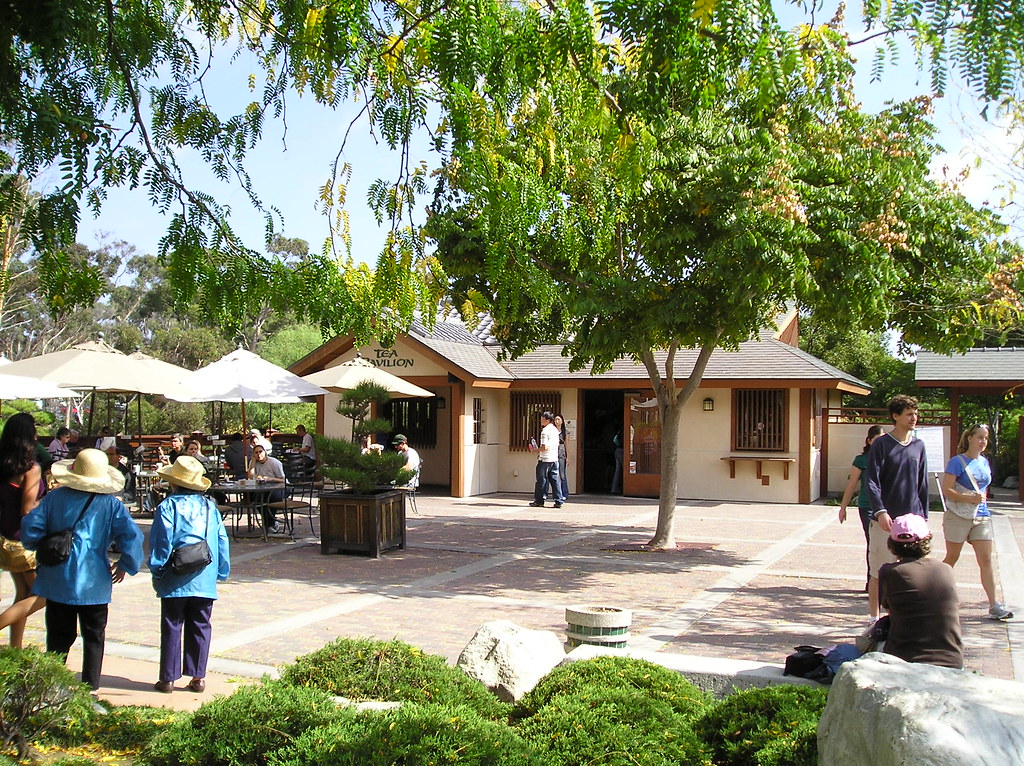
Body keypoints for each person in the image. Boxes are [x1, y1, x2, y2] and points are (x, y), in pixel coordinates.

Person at [20, 449, 144, 690]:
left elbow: (30, 529)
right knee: (94, 637)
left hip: (57, 579)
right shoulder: (110, 505)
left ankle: (52, 686)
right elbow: (132, 537)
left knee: (57, 636)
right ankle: (91, 688)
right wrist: (125, 565)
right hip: (94, 582)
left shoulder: (55, 498)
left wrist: (42, 546)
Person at [149, 456, 230, 693]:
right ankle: (198, 677)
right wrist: (222, 570)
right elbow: (222, 540)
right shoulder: (209, 507)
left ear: (173, 483)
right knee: (201, 625)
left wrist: (157, 569)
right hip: (204, 574)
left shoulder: (168, 506)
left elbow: (162, 542)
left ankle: (167, 678)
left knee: (172, 624)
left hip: (175, 574)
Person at [863, 394, 928, 627]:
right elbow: (872, 481)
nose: (914, 417)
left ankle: (905, 617)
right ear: (895, 416)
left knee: (912, 570)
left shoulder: (919, 445)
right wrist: (880, 511)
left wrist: (924, 518)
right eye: (909, 413)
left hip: (912, 521)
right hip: (885, 521)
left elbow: (922, 484)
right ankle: (873, 618)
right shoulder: (881, 444)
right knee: (879, 570)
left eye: (915, 413)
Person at [941, 423, 1014, 621]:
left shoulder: (984, 462)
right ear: (970, 438)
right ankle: (935, 595)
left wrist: (978, 500)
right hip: (958, 515)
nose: (983, 441)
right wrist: (968, 498)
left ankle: (994, 604)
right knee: (952, 557)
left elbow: (984, 488)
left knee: (986, 560)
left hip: (981, 515)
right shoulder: (957, 461)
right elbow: (947, 489)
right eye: (979, 437)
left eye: (986, 438)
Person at [879, 514, 963, 669]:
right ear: (928, 540)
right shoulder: (946, 569)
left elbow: (890, 611)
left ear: (891, 544)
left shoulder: (890, 572)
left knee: (873, 644)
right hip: (952, 662)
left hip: (905, 660)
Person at [0, 413, 45, 647]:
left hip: (4, 539)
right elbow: (28, 509)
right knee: (46, 595)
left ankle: (14, 647)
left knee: (23, 595)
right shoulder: (31, 468)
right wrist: (48, 499)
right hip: (23, 542)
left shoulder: (3, 465)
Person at [837, 424, 884, 614]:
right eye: (877, 438)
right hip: (867, 506)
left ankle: (883, 582)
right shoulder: (862, 460)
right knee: (872, 543)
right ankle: (871, 581)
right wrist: (843, 507)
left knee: (886, 545)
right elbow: (851, 484)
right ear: (869, 440)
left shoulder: (888, 458)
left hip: (886, 507)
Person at [249, 444, 286, 533]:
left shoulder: (274, 462)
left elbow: (283, 480)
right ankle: (268, 522)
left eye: (260, 452)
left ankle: (271, 522)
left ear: (265, 452)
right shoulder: (253, 463)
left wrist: (270, 479)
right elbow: (250, 477)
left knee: (272, 498)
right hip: (263, 488)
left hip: (279, 487)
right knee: (254, 497)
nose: (259, 455)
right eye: (256, 453)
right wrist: (253, 463)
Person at [529, 411, 563, 508]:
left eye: (542, 418)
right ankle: (558, 500)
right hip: (554, 458)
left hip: (545, 459)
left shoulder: (545, 431)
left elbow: (544, 447)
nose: (540, 420)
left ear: (548, 420)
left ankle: (539, 500)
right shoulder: (555, 430)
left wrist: (535, 450)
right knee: (555, 480)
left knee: (541, 480)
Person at [554, 414, 569, 504]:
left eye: (558, 419)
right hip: (553, 454)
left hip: (562, 454)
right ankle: (557, 494)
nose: (557, 421)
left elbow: (567, 445)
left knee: (562, 475)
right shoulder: (552, 431)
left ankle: (564, 493)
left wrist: (568, 457)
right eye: (555, 419)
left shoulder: (565, 432)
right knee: (554, 475)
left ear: (562, 421)